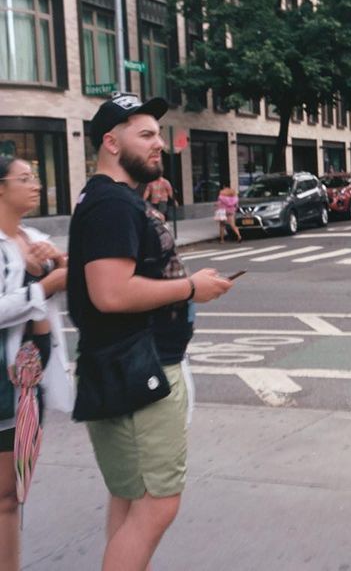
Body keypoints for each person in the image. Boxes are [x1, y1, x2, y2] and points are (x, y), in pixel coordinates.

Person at [67, 95, 233, 570]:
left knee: (130, 497)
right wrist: (191, 288)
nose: (159, 143)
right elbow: (111, 293)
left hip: (119, 363)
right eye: (145, 135)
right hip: (142, 369)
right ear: (111, 142)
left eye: (158, 134)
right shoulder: (113, 204)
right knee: (158, 504)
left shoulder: (102, 199)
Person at [0, 156, 71, 571]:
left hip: (31, 384)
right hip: (3, 386)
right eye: (24, 178)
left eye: (36, 177)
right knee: (4, 496)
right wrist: (41, 288)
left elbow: (73, 287)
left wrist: (59, 263)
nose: (36, 185)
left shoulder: (36, 238)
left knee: (14, 494)